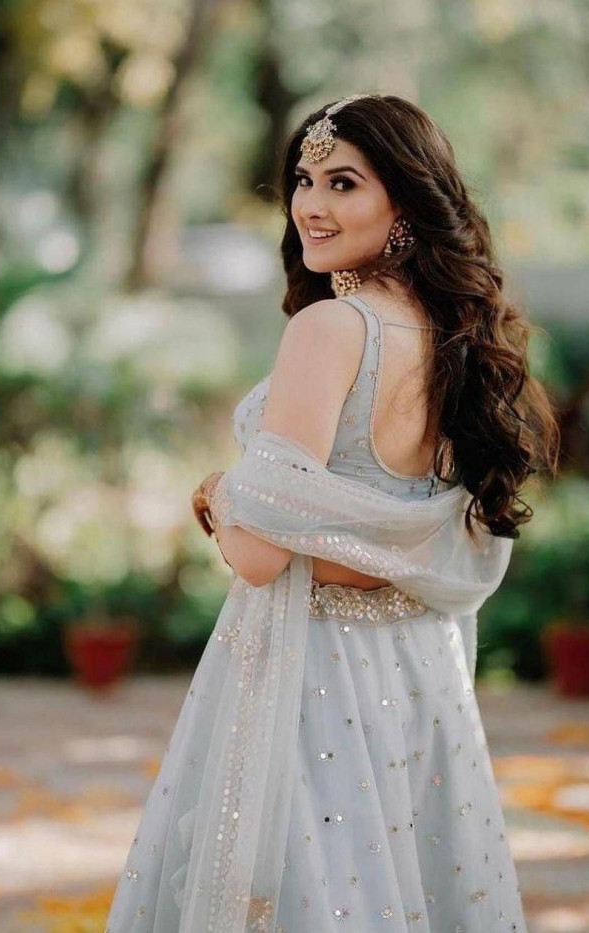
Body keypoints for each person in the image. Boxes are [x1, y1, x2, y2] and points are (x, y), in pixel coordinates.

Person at [106, 93, 559, 933]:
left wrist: (217, 494)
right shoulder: (451, 333)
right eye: (304, 180)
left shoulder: (331, 328)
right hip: (418, 673)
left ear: (405, 202)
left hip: (317, 675)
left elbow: (261, 556)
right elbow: (398, 533)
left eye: (343, 182)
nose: (311, 204)